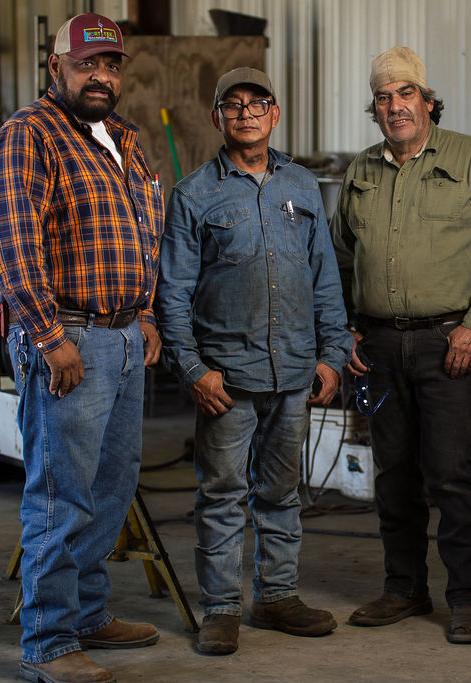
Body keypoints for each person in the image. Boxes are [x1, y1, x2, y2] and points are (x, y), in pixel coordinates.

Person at [0, 12, 163, 683]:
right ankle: (49, 641)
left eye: (111, 65)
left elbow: (143, 233)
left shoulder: (123, 140)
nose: (101, 76)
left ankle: (87, 614)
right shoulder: (28, 135)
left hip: (123, 335)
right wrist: (48, 335)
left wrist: (146, 313)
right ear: (55, 66)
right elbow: (13, 245)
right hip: (69, 336)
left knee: (111, 488)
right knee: (62, 497)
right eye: (87, 64)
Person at [155, 67, 353, 656]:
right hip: (227, 377)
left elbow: (324, 279)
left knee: (281, 492)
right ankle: (220, 608)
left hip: (293, 371)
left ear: (275, 114)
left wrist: (332, 355)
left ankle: (275, 596)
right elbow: (172, 294)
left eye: (257, 103)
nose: (246, 113)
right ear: (217, 117)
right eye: (233, 104)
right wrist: (193, 369)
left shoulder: (302, 185)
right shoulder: (193, 194)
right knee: (221, 495)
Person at [330, 46, 471, 645]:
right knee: (393, 474)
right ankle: (405, 588)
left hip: (448, 344)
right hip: (379, 348)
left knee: (451, 475)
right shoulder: (360, 171)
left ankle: (467, 598)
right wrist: (342, 327)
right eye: (383, 98)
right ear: (375, 109)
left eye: (406, 93)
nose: (395, 106)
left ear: (428, 101)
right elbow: (337, 257)